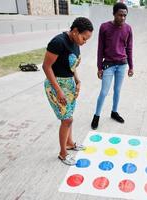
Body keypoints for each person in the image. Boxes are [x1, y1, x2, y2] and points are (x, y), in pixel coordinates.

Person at [43, 17, 93, 165]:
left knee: (69, 117)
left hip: (69, 85)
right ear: (75, 31)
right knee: (67, 119)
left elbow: (72, 66)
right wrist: (58, 91)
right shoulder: (58, 42)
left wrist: (77, 80)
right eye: (84, 38)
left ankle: (70, 143)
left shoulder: (75, 42)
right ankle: (63, 153)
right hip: (55, 86)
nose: (85, 42)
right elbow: (46, 67)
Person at [91, 2, 134, 130]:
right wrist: (99, 67)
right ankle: (96, 116)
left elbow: (129, 49)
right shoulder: (104, 27)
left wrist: (131, 66)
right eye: (120, 15)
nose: (123, 18)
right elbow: (100, 49)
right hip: (108, 64)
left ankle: (114, 112)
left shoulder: (128, 28)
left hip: (122, 64)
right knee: (104, 92)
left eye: (125, 15)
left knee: (117, 90)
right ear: (114, 14)